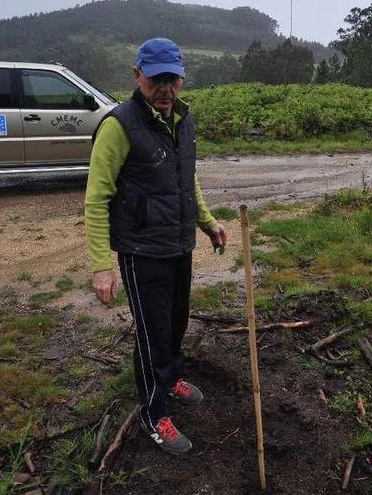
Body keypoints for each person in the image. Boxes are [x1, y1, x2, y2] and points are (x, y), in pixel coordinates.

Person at [84, 37, 228, 455]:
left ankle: (171, 378)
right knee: (152, 335)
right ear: (137, 76)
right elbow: (96, 197)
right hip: (141, 249)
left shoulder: (183, 120)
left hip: (178, 243)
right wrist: (100, 266)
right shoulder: (118, 125)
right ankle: (153, 412)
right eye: (156, 80)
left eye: (173, 80)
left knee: (176, 322)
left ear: (182, 79)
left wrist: (207, 222)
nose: (165, 89)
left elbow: (187, 179)